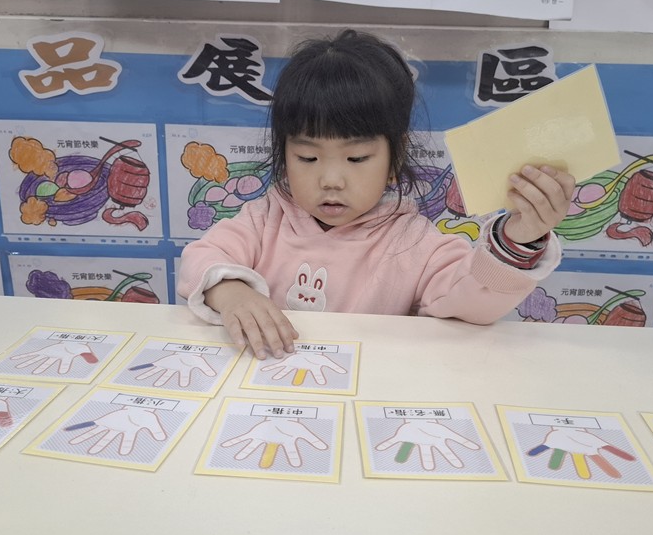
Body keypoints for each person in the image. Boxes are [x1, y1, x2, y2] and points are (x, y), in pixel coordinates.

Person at [177, 29, 574, 359]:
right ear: (284, 154)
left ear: (395, 157)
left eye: (357, 158)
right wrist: (229, 292)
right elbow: (201, 258)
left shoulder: (414, 243)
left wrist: (520, 238)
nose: (331, 179)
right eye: (307, 157)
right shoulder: (265, 219)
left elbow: (474, 301)